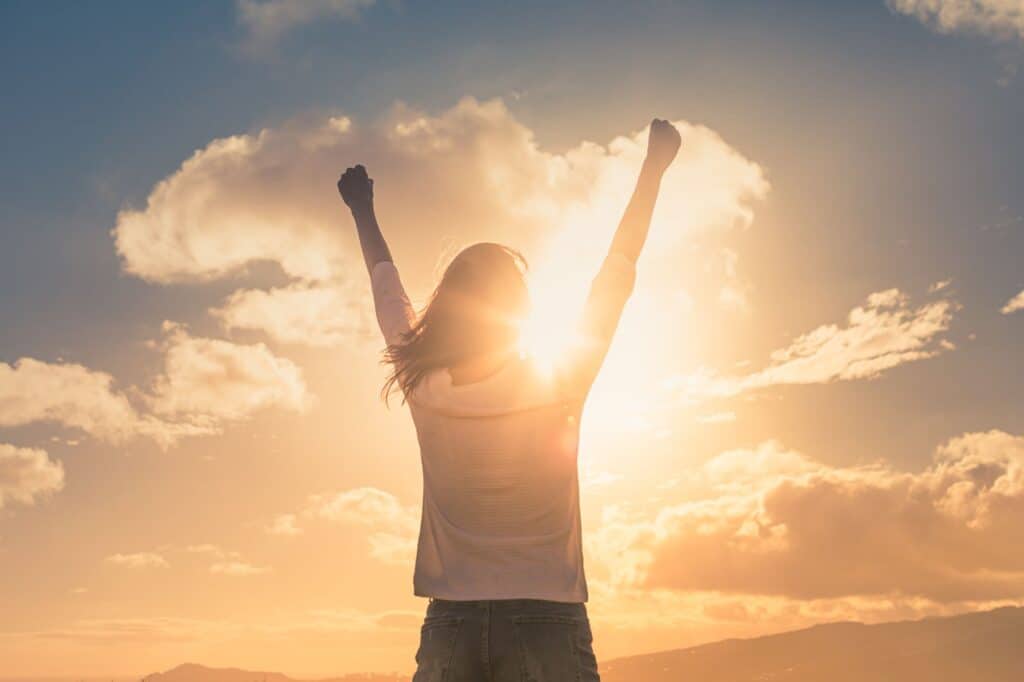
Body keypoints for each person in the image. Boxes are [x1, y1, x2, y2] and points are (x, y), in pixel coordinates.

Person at [337, 119, 681, 681]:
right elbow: (617, 272)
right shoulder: (562, 379)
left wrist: (361, 208)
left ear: (447, 307)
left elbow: (386, 288)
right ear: (518, 311)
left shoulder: (423, 383)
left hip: (451, 625)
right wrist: (653, 168)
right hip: (548, 619)